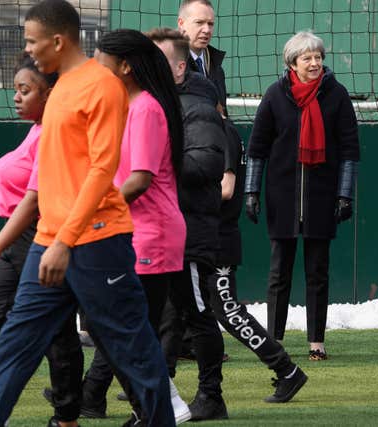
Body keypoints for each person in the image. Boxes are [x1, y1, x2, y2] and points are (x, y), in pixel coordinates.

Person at [0, 1, 174, 426]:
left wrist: (64, 240)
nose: (27, 49)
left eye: (30, 41)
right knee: (11, 349)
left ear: (57, 41)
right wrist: (4, 246)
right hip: (49, 243)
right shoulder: (59, 88)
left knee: (135, 355)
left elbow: (102, 171)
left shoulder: (102, 86)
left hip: (97, 243)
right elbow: (42, 184)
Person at [149, 27, 309, 403]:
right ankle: (159, 377)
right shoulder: (197, 124)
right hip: (203, 233)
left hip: (215, 237)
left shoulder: (221, 133)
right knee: (178, 311)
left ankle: (285, 367)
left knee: (225, 311)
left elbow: (224, 189)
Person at [55, 29, 189, 425]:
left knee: (128, 331)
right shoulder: (124, 106)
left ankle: (162, 405)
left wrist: (86, 212)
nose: (95, 69)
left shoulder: (146, 108)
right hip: (127, 229)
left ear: (126, 66)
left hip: (150, 232)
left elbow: (140, 179)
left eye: (102, 61)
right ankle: (143, 407)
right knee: (123, 330)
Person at [0, 53, 85, 426]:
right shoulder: (36, 130)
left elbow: (35, 198)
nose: (17, 97)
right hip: (15, 238)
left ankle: (67, 414)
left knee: (58, 332)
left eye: (25, 90)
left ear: (49, 94)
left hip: (39, 236)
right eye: (16, 89)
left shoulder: (54, 132)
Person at [245, 31, 360, 360]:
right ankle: (274, 340)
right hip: (281, 196)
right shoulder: (274, 95)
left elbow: (350, 150)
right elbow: (257, 149)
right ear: (292, 63)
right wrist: (251, 190)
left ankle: (316, 342)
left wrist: (345, 194)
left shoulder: (336, 95)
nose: (314, 62)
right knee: (278, 272)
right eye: (307, 58)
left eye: (318, 57)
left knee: (317, 271)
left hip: (322, 197)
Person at [147, 26, 228, 421]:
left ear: (179, 69)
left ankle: (211, 396)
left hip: (189, 230)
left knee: (196, 312)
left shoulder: (195, 107)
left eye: (158, 61)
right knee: (162, 314)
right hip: (161, 229)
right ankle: (99, 393)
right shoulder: (155, 105)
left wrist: (150, 164)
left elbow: (207, 164)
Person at [177, 0, 227, 113]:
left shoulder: (217, 70)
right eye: (199, 22)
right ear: (181, 24)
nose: (207, 30)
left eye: (210, 24)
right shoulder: (171, 67)